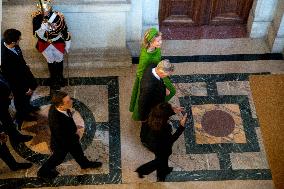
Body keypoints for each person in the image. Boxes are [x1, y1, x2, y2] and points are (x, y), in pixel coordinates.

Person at [37, 91, 102, 180]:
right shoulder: (57, 122)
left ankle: (84, 164)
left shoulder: (57, 107)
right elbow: (63, 139)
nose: (71, 101)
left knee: (78, 152)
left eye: (70, 99)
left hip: (71, 139)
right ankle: (42, 172)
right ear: (60, 106)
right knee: (57, 159)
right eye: (68, 101)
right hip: (62, 145)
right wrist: (77, 136)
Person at [129, 28, 176, 121]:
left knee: (171, 90)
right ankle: (158, 108)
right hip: (148, 77)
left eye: (160, 40)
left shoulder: (156, 48)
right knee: (147, 98)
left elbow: (158, 60)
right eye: (158, 41)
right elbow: (140, 72)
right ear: (151, 42)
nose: (161, 42)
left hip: (159, 71)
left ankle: (160, 106)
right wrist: (149, 84)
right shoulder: (145, 57)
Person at [135, 102, 187, 181]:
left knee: (162, 159)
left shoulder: (152, 115)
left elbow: (161, 115)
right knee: (160, 160)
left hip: (149, 141)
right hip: (160, 147)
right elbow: (171, 140)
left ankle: (164, 170)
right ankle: (143, 171)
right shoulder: (164, 128)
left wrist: (173, 111)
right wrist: (181, 126)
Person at [1, 29, 38, 124]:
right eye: (19, 38)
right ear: (13, 41)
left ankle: (28, 106)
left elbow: (20, 57)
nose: (20, 39)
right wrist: (25, 89)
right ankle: (24, 114)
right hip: (17, 82)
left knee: (33, 86)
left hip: (24, 73)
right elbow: (13, 78)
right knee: (20, 98)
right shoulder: (5, 57)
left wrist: (24, 65)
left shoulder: (13, 44)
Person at [32, 0, 71, 90]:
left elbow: (64, 31)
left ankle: (60, 77)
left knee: (59, 60)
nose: (44, 12)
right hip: (44, 43)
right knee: (50, 61)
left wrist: (68, 43)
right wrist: (41, 29)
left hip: (57, 42)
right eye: (42, 10)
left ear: (49, 8)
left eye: (45, 10)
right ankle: (53, 78)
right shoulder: (36, 18)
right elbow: (35, 34)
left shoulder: (58, 17)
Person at [0, 72, 33, 143]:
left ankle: (13, 134)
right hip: (1, 104)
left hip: (3, 103)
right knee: (6, 119)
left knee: (6, 119)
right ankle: (14, 136)